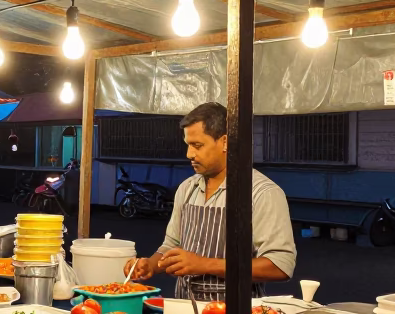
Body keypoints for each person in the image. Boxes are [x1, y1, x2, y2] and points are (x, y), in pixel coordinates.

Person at [125, 102, 296, 302]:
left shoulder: (261, 193)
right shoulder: (187, 189)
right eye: (188, 145)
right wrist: (151, 265)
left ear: (225, 142)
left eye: (197, 145)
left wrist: (204, 265)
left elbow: (280, 266)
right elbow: (171, 244)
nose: (189, 154)